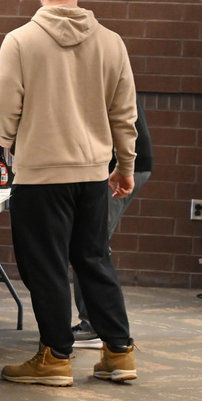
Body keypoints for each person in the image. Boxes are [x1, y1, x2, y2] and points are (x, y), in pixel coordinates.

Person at [0, 0, 138, 386]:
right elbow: (124, 112)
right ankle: (119, 350)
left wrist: (6, 138)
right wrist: (124, 165)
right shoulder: (111, 41)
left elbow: (4, 111)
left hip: (40, 175)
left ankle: (55, 357)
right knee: (94, 259)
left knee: (47, 266)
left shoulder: (19, 40)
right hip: (93, 173)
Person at [71, 100, 153, 348]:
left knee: (91, 246)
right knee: (90, 244)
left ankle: (94, 325)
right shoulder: (103, 65)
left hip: (120, 166)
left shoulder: (101, 69)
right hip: (120, 163)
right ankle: (95, 323)